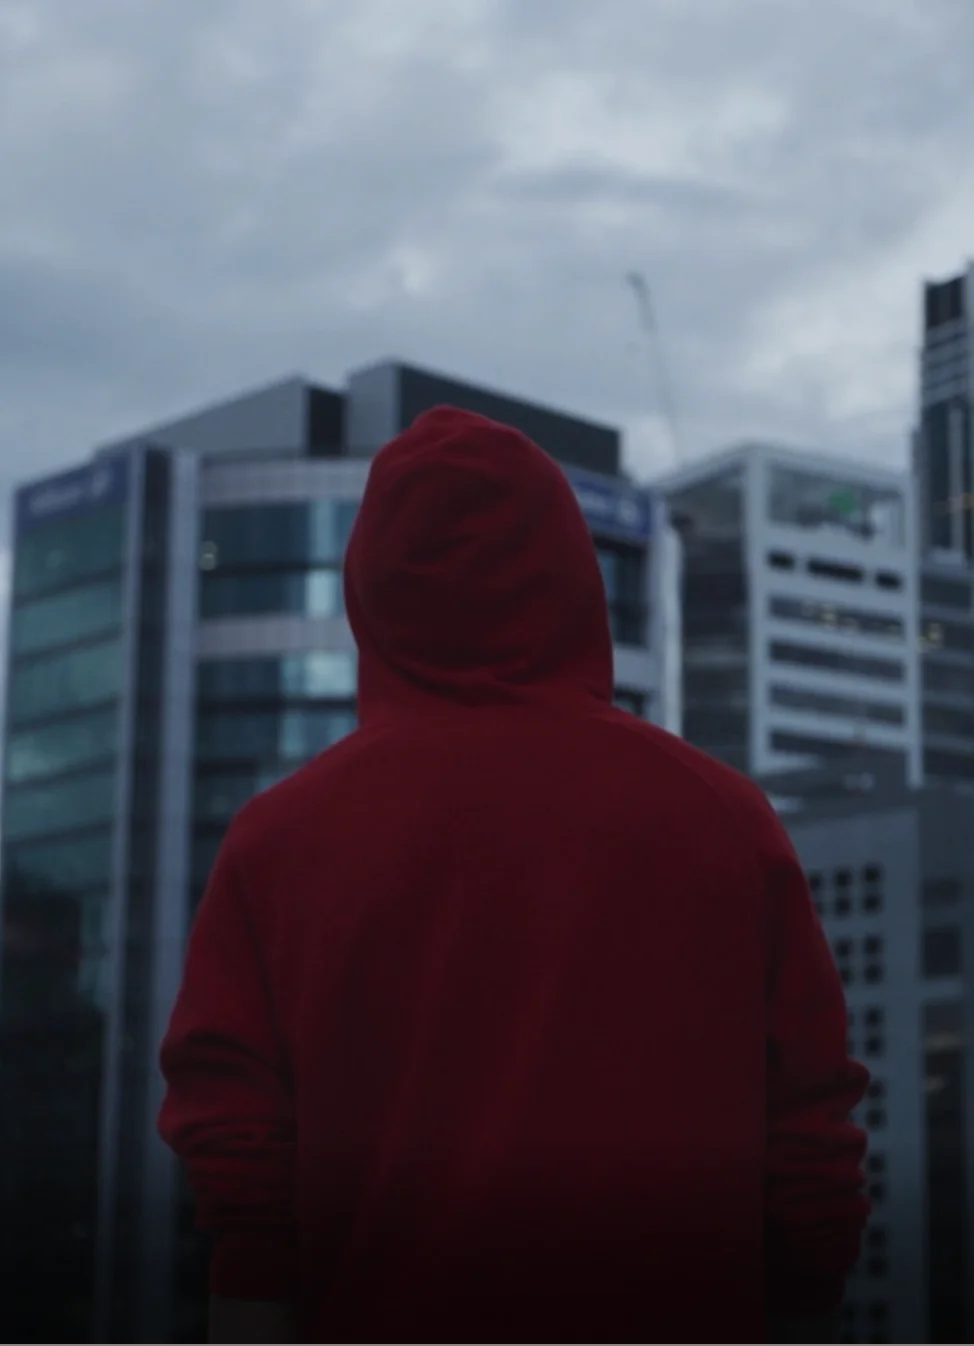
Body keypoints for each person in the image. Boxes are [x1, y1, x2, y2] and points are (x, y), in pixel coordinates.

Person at [158, 407, 870, 1344]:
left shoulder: (276, 844)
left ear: (371, 591)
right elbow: (810, 1160)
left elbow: (247, 1198)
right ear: (572, 578)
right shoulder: (722, 818)